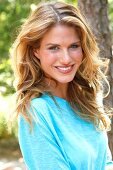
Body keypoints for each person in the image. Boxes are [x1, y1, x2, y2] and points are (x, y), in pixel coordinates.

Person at [11, 1, 113, 170]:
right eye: (54, 48)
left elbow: (106, 163)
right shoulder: (36, 111)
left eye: (74, 46)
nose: (66, 59)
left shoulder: (86, 101)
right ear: (36, 50)